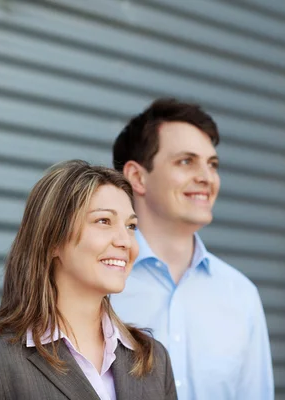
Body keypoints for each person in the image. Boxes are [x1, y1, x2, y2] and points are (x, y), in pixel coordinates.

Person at [0, 160, 177, 400]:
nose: (125, 241)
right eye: (103, 221)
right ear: (53, 239)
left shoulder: (153, 359)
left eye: (131, 226)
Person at [110, 98, 274, 399]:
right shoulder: (99, 284)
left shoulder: (241, 295)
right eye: (186, 161)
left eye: (212, 164)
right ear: (137, 176)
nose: (206, 177)